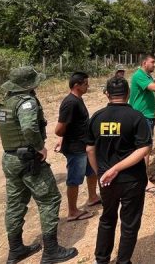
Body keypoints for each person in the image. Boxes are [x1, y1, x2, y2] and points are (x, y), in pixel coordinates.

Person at [0, 66, 77, 264]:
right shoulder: (27, 102)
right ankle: (51, 251)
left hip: (10, 159)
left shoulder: (5, 101)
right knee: (49, 199)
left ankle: (16, 249)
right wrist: (40, 148)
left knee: (15, 203)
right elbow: (29, 128)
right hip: (28, 160)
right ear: (29, 84)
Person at [87, 76, 152, 264]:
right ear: (128, 94)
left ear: (107, 94)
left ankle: (101, 259)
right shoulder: (136, 117)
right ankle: (123, 261)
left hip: (107, 181)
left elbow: (89, 149)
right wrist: (117, 168)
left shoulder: (97, 117)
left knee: (107, 219)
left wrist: (102, 172)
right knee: (129, 224)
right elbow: (144, 149)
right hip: (132, 179)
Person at [54, 72, 100, 222]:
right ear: (76, 85)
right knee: (74, 179)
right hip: (75, 148)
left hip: (83, 145)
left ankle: (92, 197)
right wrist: (63, 138)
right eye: (85, 84)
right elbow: (59, 129)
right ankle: (72, 211)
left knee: (92, 171)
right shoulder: (70, 103)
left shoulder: (77, 100)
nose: (88, 86)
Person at [128, 54, 155, 190]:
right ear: (144, 63)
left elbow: (154, 91)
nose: (154, 64)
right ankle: (144, 181)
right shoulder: (139, 75)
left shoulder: (147, 76)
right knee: (144, 149)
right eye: (152, 62)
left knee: (147, 148)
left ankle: (144, 174)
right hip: (141, 116)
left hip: (147, 116)